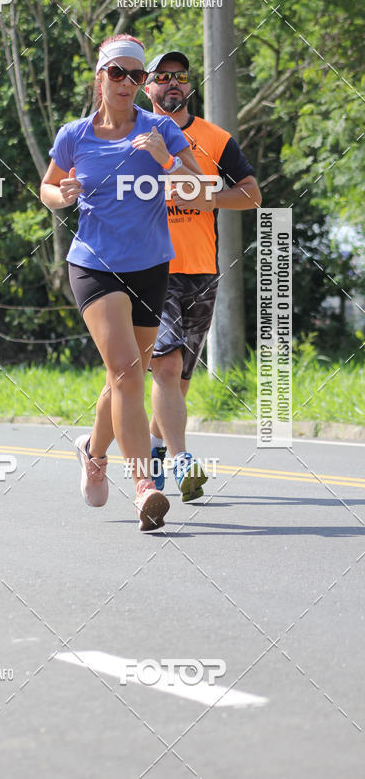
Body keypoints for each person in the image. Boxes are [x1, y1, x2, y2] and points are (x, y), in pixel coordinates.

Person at [40, 34, 202, 531]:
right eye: (119, 74)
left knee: (121, 378)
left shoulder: (160, 129)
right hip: (94, 263)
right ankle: (144, 486)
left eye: (137, 76)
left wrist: (167, 159)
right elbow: (47, 187)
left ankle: (92, 450)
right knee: (130, 373)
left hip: (151, 266)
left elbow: (199, 191)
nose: (128, 83)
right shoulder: (75, 135)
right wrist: (60, 195)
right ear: (101, 78)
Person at [143, 49, 262, 502]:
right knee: (167, 367)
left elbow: (251, 196)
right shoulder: (136, 136)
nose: (172, 83)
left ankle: (152, 451)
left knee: (177, 382)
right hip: (153, 269)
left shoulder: (215, 138)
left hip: (202, 272)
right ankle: (181, 460)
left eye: (180, 76)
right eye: (162, 77)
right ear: (146, 86)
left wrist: (209, 198)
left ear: (189, 85)